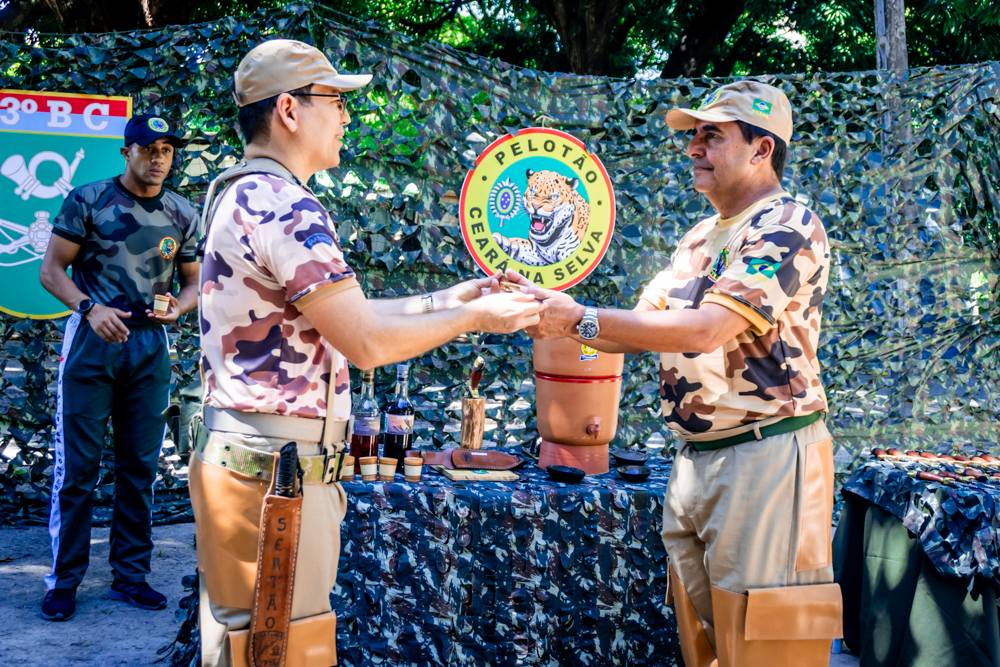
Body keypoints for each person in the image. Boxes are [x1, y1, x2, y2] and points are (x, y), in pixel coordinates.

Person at [191, 39, 543, 667]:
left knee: (247, 642)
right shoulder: (283, 203)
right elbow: (368, 343)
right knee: (280, 648)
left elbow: (341, 318)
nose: (347, 116)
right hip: (279, 471)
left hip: (257, 460)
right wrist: (478, 316)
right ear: (290, 112)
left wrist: (448, 301)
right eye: (335, 101)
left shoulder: (245, 193)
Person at [510, 81, 842, 666]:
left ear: (762, 149)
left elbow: (706, 329)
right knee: (706, 645)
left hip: (765, 459)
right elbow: (636, 327)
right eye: (693, 135)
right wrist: (554, 318)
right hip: (696, 464)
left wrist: (578, 318)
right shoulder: (700, 238)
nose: (693, 147)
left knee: (768, 647)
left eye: (712, 135)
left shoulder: (787, 223)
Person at [38, 114, 199, 621]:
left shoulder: (183, 212)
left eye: (167, 150)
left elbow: (193, 282)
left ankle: (131, 578)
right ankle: (64, 582)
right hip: (92, 342)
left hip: (150, 348)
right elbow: (51, 271)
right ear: (126, 152)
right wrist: (89, 307)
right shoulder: (87, 200)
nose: (158, 158)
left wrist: (181, 306)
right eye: (148, 148)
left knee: (140, 469)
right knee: (79, 471)